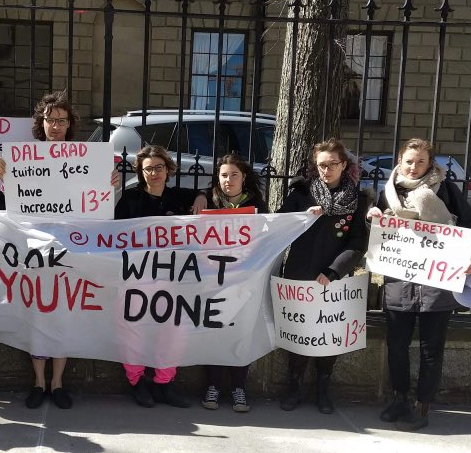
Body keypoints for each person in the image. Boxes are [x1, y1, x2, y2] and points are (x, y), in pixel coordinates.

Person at [0, 90, 119, 411]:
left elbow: (97, 204)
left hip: (69, 248)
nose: (56, 126)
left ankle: (58, 383)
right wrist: (2, 177)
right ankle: (38, 382)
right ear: (41, 123)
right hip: (34, 249)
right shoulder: (25, 158)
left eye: (62, 121)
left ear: (70, 124)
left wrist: (110, 183)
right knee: (37, 313)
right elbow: (15, 201)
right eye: (51, 120)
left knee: (63, 314)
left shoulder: (85, 157)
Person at [367, 138, 471, 431]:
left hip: (437, 283)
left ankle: (423, 404)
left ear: (431, 163)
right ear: (400, 161)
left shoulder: (445, 189)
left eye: (421, 161)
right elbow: (377, 230)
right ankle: (399, 399)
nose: (414, 167)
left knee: (432, 349)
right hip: (399, 282)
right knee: (397, 346)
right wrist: (372, 219)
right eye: (409, 161)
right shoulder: (389, 191)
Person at [278, 139, 369, 415]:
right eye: (321, 165)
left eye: (332, 164)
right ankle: (294, 386)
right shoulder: (301, 192)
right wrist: (301, 218)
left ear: (344, 165)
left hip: (334, 278)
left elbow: (357, 243)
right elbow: (279, 225)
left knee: (329, 335)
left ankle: (323, 389)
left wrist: (334, 270)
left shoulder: (358, 199)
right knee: (300, 333)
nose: (326, 170)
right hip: (300, 274)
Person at [114, 145, 208, 408]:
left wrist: (201, 194)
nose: (154, 173)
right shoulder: (130, 199)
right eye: (148, 169)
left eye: (159, 167)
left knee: (173, 330)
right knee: (133, 329)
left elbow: (211, 200)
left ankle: (164, 383)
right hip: (137, 276)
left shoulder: (181, 196)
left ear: (168, 169)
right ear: (140, 172)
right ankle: (137, 381)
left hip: (174, 278)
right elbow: (113, 237)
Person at [200, 152, 269, 413]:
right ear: (217, 178)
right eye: (224, 175)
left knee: (241, 333)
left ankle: (239, 387)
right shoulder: (207, 201)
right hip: (212, 281)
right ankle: (213, 386)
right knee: (214, 333)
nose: (229, 180)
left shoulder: (257, 206)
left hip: (244, 282)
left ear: (244, 177)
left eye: (234, 175)